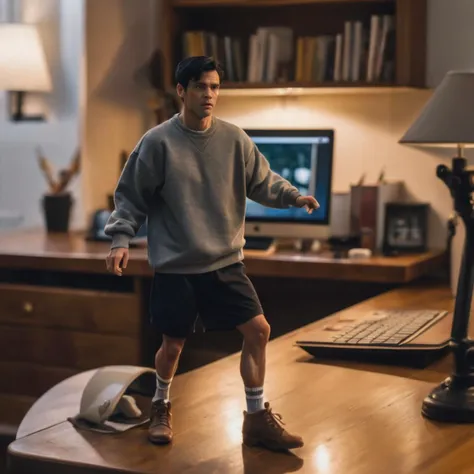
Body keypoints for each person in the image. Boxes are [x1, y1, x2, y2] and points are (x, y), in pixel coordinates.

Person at [104, 56, 319, 452]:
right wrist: (120, 239)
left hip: (224, 262)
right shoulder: (157, 143)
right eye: (201, 86)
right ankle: (160, 404)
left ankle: (255, 419)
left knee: (259, 330)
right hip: (176, 266)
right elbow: (131, 196)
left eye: (215, 87)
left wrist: (293, 196)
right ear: (181, 91)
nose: (209, 94)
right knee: (173, 346)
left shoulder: (235, 139)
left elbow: (263, 181)